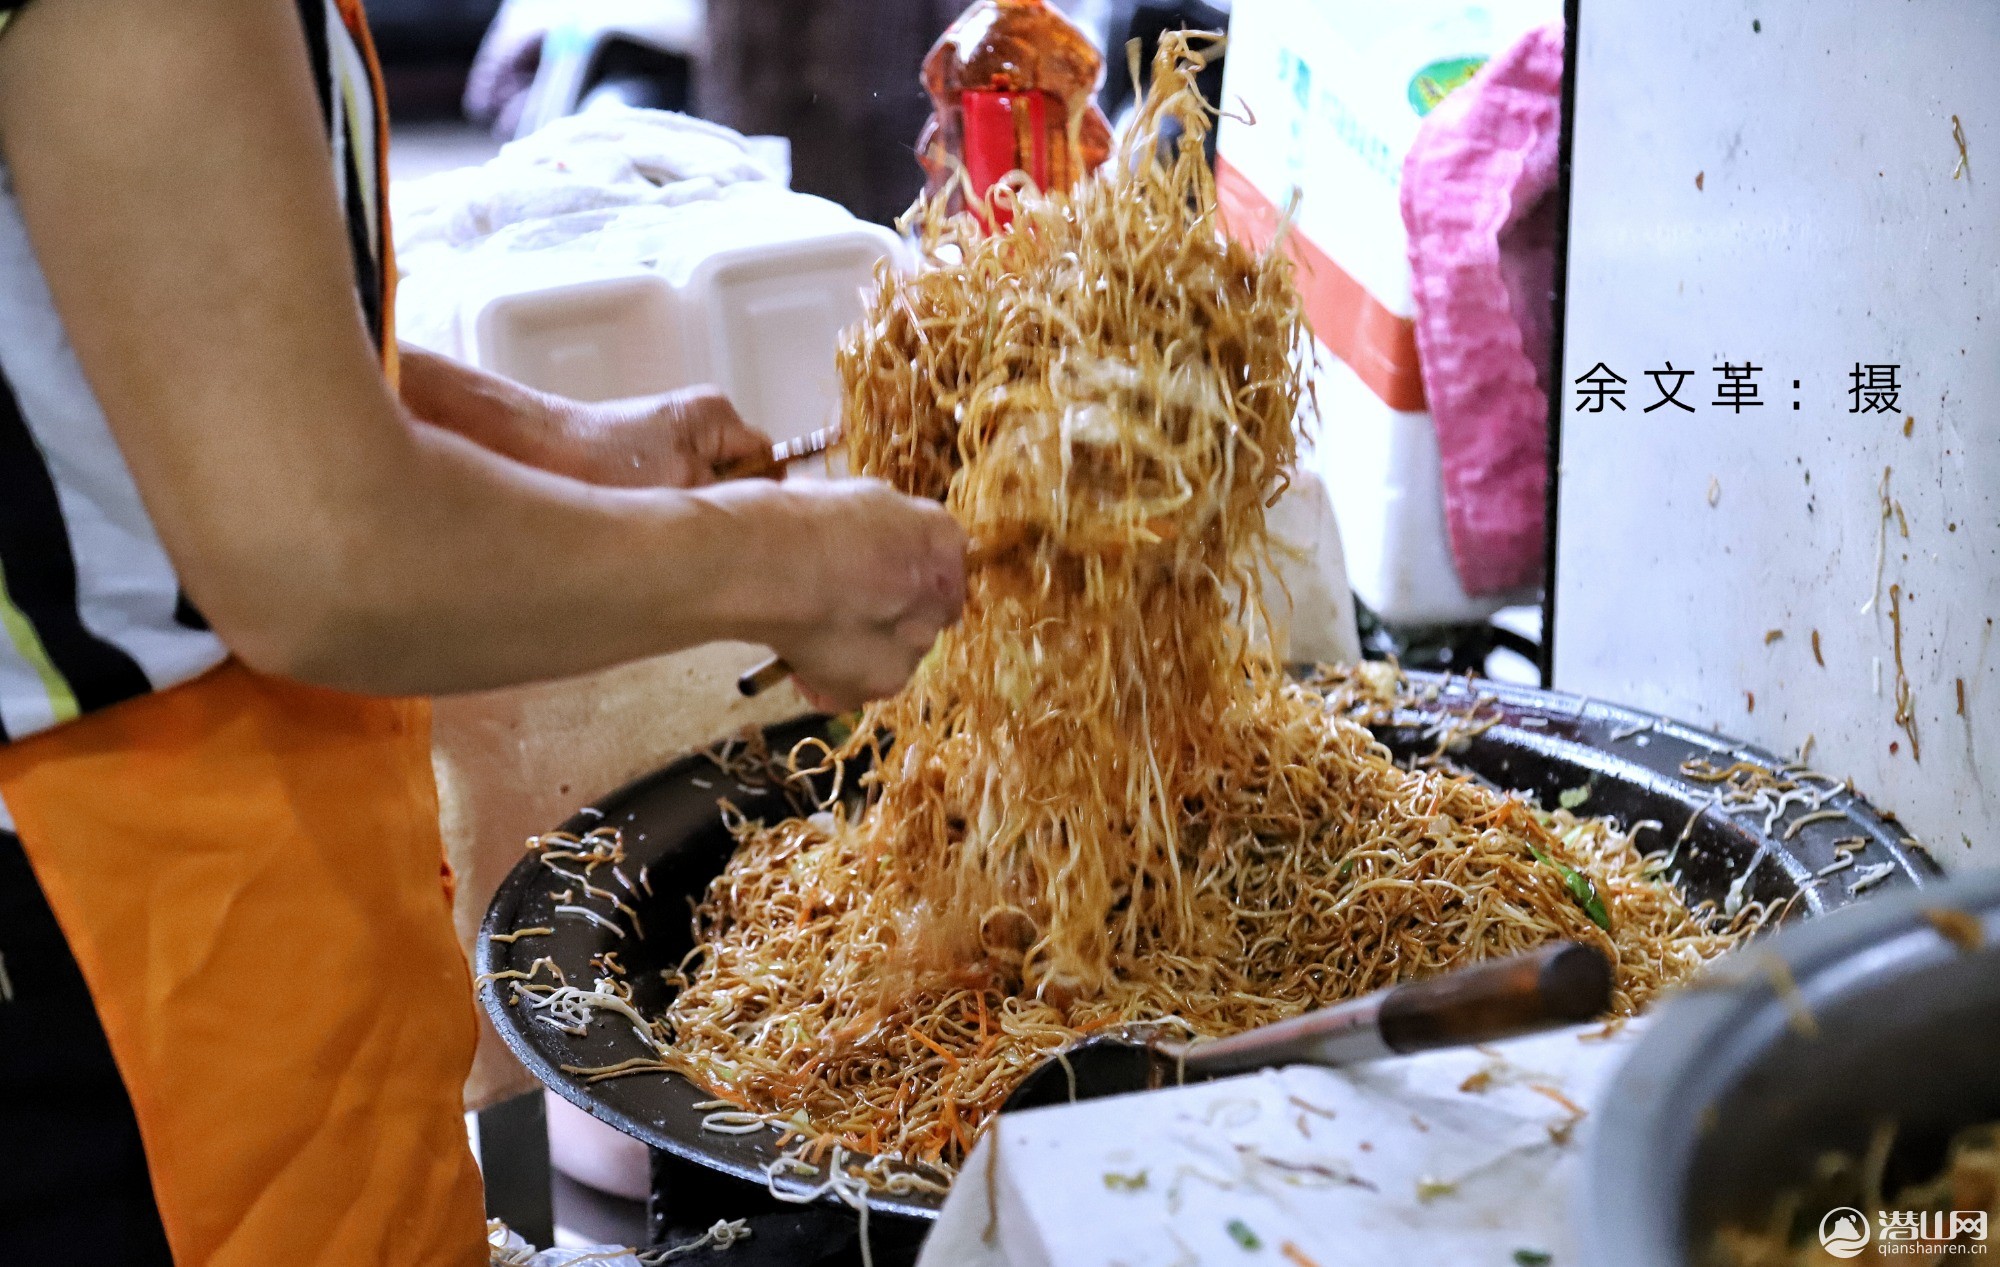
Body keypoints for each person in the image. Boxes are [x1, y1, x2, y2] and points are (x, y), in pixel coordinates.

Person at [0, 1, 966, 1262]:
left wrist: (560, 441)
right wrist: (787, 569)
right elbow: (318, 562)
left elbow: (181, 304)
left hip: (231, 856)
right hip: (109, 933)